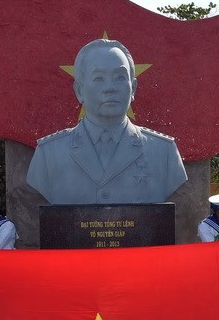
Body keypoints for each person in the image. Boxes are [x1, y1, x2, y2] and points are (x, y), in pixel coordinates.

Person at [26, 38, 188, 204]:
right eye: (99, 78)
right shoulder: (49, 154)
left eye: (119, 77)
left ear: (134, 88)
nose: (110, 87)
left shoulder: (163, 152)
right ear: (79, 90)